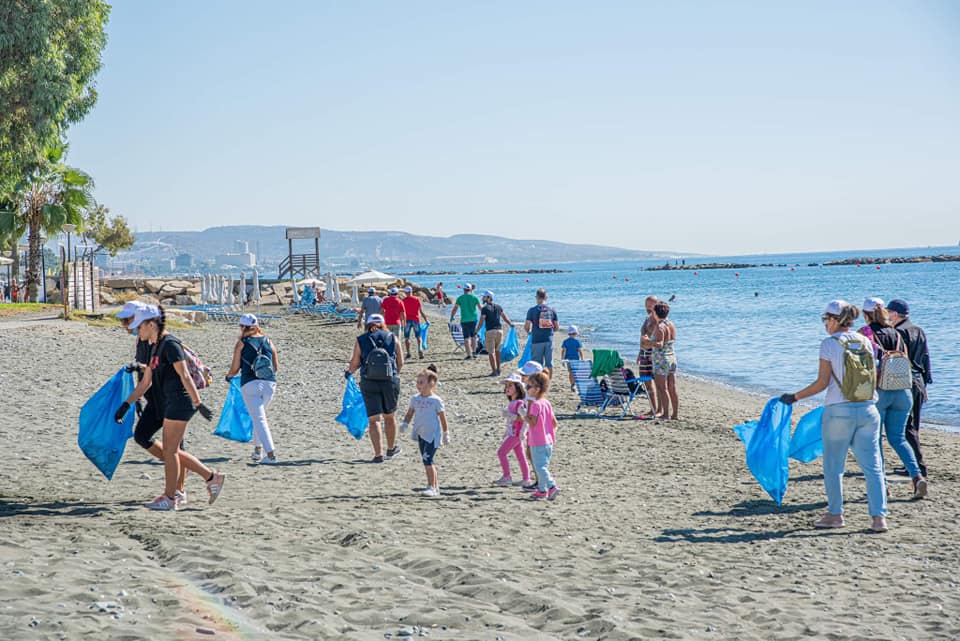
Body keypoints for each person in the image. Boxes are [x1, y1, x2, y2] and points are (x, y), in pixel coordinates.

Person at [779, 300, 887, 532]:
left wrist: (795, 397)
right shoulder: (865, 341)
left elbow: (822, 383)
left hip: (839, 412)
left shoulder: (829, 344)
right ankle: (879, 518)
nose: (824, 324)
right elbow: (874, 376)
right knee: (873, 466)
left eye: (825, 320)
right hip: (869, 409)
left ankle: (835, 515)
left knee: (833, 466)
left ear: (835, 320)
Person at [115, 305, 225, 511]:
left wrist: (199, 403)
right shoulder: (154, 345)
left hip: (179, 401)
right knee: (168, 449)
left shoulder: (170, 344)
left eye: (140, 326)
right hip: (165, 400)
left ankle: (172, 496)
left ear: (151, 324)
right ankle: (209, 479)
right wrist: (127, 403)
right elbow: (146, 379)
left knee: (172, 450)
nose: (137, 331)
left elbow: (184, 375)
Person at [117, 301, 189, 504]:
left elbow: (171, 370)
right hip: (154, 398)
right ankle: (174, 468)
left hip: (170, 399)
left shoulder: (160, 340)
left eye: (128, 321)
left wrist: (197, 402)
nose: (126, 326)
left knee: (175, 448)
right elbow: (146, 372)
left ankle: (179, 489)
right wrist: (135, 398)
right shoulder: (142, 340)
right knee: (142, 436)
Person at [858, 299, 927, 498]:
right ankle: (917, 477)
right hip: (903, 392)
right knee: (898, 438)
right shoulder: (897, 334)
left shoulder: (864, 334)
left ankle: (882, 485)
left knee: (875, 441)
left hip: (880, 392)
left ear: (866, 314)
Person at [345, 313, 404, 463]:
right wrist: (394, 373)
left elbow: (354, 362)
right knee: (390, 417)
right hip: (390, 381)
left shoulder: (361, 340)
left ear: (367, 324)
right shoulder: (393, 337)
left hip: (368, 381)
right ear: (383, 324)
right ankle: (391, 449)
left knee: (374, 419)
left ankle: (378, 455)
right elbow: (401, 361)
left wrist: (349, 373)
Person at [225, 314, 281, 464]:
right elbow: (276, 367)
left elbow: (235, 368)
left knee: (259, 418)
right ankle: (257, 450)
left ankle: (271, 455)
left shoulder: (242, 343)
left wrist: (228, 376)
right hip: (270, 385)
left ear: (243, 327)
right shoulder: (268, 341)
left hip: (250, 384)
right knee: (259, 417)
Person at [887, 299, 932, 478]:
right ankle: (911, 464)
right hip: (919, 380)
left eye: (889, 312)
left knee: (906, 426)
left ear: (896, 314)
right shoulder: (918, 330)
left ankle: (917, 466)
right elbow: (926, 358)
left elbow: (896, 361)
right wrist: (926, 383)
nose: (888, 316)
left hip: (906, 380)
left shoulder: (898, 332)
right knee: (914, 425)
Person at [400, 366, 449, 497]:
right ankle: (436, 487)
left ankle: (431, 487)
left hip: (432, 435)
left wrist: (445, 433)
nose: (418, 385)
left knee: (428, 460)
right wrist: (405, 424)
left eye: (421, 382)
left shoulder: (436, 400)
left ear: (431, 383)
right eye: (417, 382)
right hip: (421, 434)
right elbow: (410, 413)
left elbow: (443, 418)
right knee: (426, 460)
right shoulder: (415, 399)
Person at [520, 371, 559, 500]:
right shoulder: (546, 403)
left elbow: (533, 422)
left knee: (539, 467)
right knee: (543, 465)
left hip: (537, 441)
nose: (527, 390)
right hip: (549, 441)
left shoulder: (536, 405)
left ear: (537, 389)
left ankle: (552, 486)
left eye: (528, 387)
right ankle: (542, 490)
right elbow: (554, 423)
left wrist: (524, 414)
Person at [493, 373, 531, 487]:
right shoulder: (512, 403)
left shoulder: (519, 403)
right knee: (520, 456)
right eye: (507, 386)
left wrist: (523, 431)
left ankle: (507, 476)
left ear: (518, 388)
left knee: (501, 452)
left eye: (510, 386)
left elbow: (525, 418)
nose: (507, 388)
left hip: (516, 434)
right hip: (514, 433)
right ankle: (526, 478)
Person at [649, 302, 679, 420]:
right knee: (672, 386)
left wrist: (648, 341)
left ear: (656, 313)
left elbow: (659, 344)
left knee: (662, 388)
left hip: (661, 359)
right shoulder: (671, 324)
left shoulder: (660, 326)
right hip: (672, 357)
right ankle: (675, 414)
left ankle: (666, 414)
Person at [523, 289, 560, 378]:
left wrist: (529, 332)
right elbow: (557, 327)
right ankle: (548, 382)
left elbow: (527, 326)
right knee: (549, 363)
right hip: (549, 339)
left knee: (536, 363)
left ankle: (537, 382)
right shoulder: (552, 310)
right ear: (546, 297)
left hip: (537, 340)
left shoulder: (532, 310)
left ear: (537, 297)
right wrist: (551, 332)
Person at [478, 290, 514, 376]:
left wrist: (477, 330)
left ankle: (494, 371)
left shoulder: (485, 308)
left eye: (484, 297)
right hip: (499, 331)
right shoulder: (498, 307)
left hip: (490, 331)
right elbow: (505, 317)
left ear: (488, 298)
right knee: (498, 351)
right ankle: (499, 369)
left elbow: (482, 320)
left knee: (491, 352)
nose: (483, 298)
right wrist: (510, 324)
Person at [636, 296, 659, 412]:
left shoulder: (657, 320)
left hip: (653, 353)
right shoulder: (647, 318)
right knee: (647, 382)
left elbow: (658, 339)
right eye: (646, 305)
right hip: (644, 353)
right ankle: (653, 408)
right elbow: (642, 337)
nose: (648, 307)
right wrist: (640, 353)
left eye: (651, 305)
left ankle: (659, 409)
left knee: (657, 382)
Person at [450, 284, 482, 360]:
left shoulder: (460, 298)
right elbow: (481, 308)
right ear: (471, 289)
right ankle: (474, 353)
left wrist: (452, 317)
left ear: (464, 289)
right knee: (474, 336)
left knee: (466, 338)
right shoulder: (475, 297)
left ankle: (469, 355)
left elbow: (455, 309)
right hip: (473, 320)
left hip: (464, 320)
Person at [401, 285, 424, 360]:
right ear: (411, 292)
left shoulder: (403, 301)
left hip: (407, 320)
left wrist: (401, 320)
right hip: (416, 319)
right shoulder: (416, 299)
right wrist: (426, 319)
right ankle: (420, 349)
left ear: (405, 292)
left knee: (407, 338)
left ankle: (408, 353)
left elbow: (401, 312)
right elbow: (421, 311)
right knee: (418, 336)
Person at [561, 325, 584, 391]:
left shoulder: (565, 341)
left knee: (571, 372)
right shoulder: (577, 341)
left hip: (568, 360)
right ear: (576, 333)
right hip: (576, 360)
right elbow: (580, 350)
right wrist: (582, 358)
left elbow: (563, 351)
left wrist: (562, 359)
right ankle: (575, 384)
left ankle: (572, 384)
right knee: (575, 372)